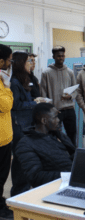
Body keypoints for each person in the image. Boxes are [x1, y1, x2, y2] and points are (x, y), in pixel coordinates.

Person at [10, 52, 45, 197]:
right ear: (20, 64)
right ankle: (18, 192)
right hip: (19, 127)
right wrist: (34, 103)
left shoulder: (24, 79)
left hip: (26, 124)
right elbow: (15, 104)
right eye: (27, 62)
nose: (30, 64)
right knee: (19, 160)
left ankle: (24, 189)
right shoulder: (14, 82)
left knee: (27, 159)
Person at [15, 103, 75, 188]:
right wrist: (69, 175)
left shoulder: (58, 135)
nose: (58, 120)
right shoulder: (26, 144)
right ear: (44, 121)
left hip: (72, 180)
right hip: (56, 187)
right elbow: (35, 177)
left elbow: (72, 154)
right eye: (55, 117)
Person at [40, 46, 77, 146]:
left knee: (72, 135)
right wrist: (48, 110)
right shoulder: (46, 73)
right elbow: (43, 94)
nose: (61, 58)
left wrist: (70, 96)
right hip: (55, 111)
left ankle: (73, 157)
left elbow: (76, 90)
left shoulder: (70, 72)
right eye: (58, 56)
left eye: (63, 56)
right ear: (53, 56)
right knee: (54, 136)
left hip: (69, 109)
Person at [0, 44, 14, 219]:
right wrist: (7, 86)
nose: (10, 63)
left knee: (3, 174)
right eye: (9, 60)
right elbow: (5, 105)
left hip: (5, 136)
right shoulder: (3, 81)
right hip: (1, 138)